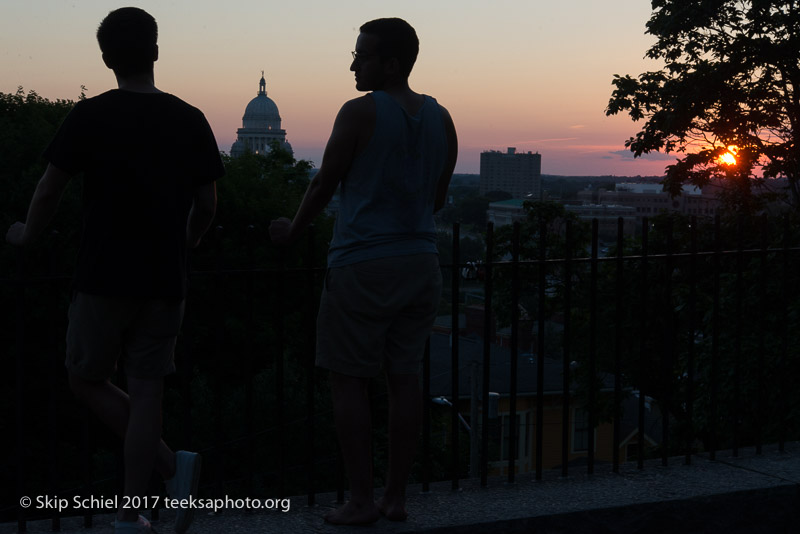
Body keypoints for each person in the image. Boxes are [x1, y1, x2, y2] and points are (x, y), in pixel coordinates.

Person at [5, 7, 224, 534]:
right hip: (164, 277)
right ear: (154, 51)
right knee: (147, 389)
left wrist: (27, 235)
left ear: (106, 58)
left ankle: (172, 468)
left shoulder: (89, 116)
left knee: (85, 377)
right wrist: (186, 243)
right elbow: (208, 204)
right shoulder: (190, 118)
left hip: (104, 272)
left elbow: (50, 188)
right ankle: (137, 506)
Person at [269, 17, 457, 525]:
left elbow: (322, 186)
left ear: (390, 63)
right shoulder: (442, 119)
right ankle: (395, 498)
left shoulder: (358, 112)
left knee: (348, 381)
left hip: (363, 264)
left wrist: (291, 232)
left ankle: (360, 499)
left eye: (362, 55)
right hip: (422, 263)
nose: (353, 63)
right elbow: (437, 198)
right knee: (404, 380)